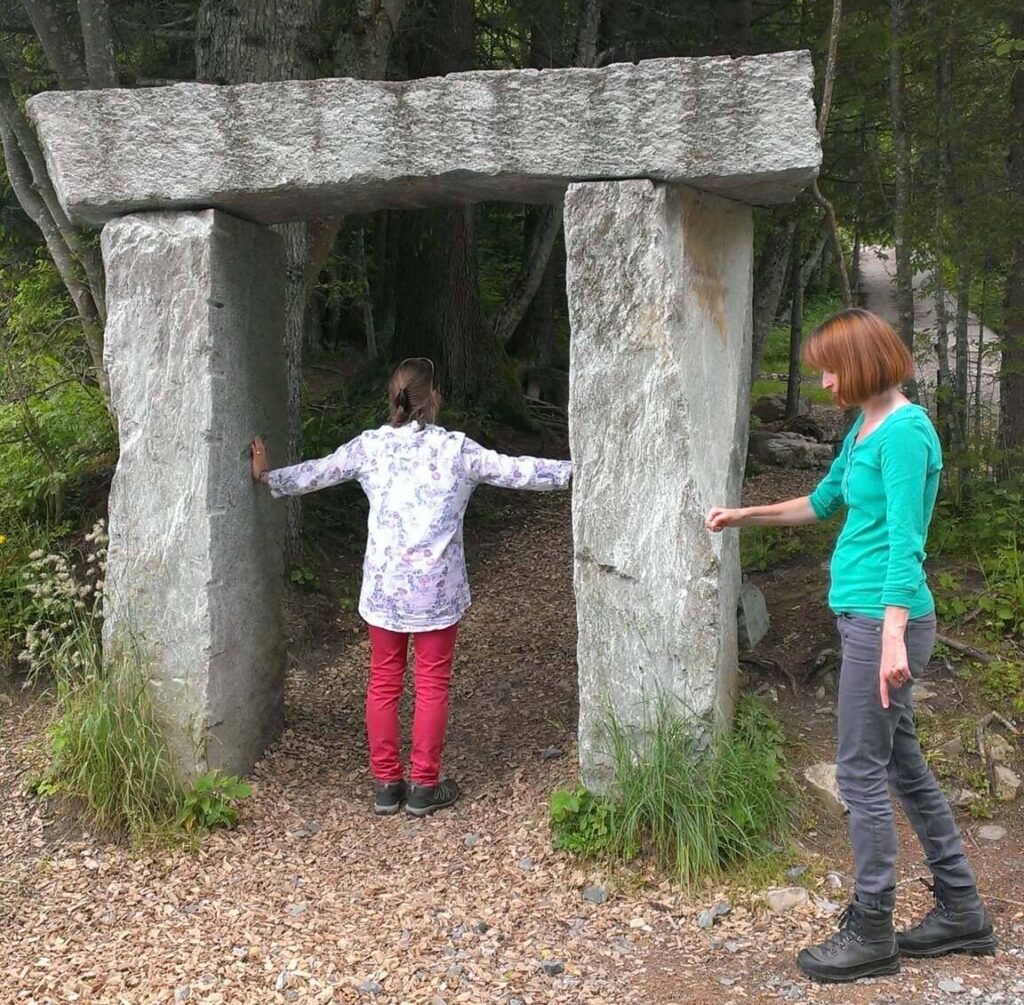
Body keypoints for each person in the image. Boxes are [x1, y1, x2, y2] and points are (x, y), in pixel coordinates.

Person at [706, 309, 996, 983]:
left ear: (864, 362)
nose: (826, 380)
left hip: (881, 623)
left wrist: (892, 631)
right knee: (902, 765)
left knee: (860, 769)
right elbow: (824, 501)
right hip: (866, 620)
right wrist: (746, 515)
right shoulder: (864, 426)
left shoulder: (905, 432)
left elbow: (906, 540)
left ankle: (872, 929)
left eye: (832, 368)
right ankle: (960, 907)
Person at [250, 357, 572, 818]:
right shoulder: (456, 451)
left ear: (392, 399)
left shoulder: (371, 448)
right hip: (437, 593)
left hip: (385, 592)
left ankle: (386, 784)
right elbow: (517, 471)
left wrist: (266, 477)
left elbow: (316, 473)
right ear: (434, 396)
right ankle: (423, 785)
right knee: (432, 683)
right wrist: (575, 471)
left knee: (383, 682)